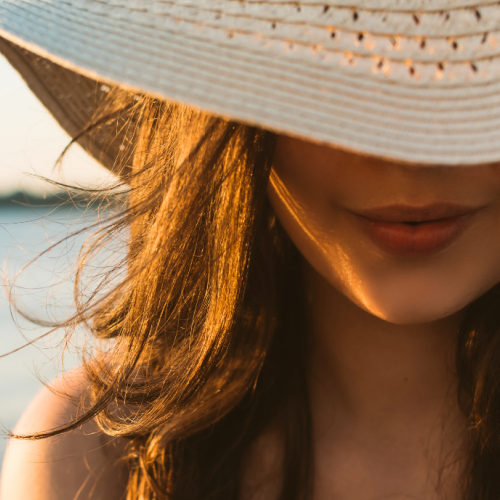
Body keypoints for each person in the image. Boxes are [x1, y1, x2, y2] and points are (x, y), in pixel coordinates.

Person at [1, 1, 500, 499]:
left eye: (480, 89)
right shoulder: (94, 457)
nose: (410, 156)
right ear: (232, 109)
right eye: (340, 72)